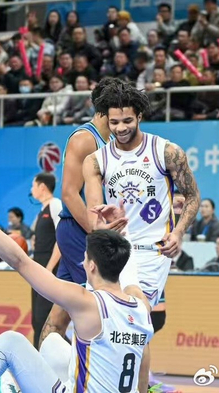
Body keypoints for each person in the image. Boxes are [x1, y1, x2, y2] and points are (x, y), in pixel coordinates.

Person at [0, 197, 153, 393]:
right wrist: (121, 229)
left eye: (84, 259)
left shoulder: (86, 302)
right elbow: (129, 266)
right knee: (53, 344)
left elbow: (20, 261)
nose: (82, 263)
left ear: (91, 266)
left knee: (10, 342)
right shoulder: (140, 304)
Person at [83, 81, 200, 390]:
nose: (120, 128)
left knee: (136, 322)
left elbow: (192, 197)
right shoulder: (95, 161)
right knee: (98, 325)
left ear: (139, 116)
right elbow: (93, 215)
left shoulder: (167, 152)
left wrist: (178, 232)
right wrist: (102, 224)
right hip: (113, 249)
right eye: (114, 122)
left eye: (127, 121)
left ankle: (141, 387)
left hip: (151, 252)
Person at [37, 78, 120, 347]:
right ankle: (91, 367)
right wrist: (97, 233)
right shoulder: (85, 139)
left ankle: (40, 364)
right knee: (98, 305)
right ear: (108, 109)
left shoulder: (111, 142)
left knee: (60, 313)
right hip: (78, 230)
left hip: (88, 232)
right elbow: (70, 194)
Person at [28, 172, 62, 348]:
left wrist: (49, 268)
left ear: (42, 187)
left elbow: (61, 238)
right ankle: (37, 354)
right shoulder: (42, 210)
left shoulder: (55, 204)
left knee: (43, 317)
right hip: (38, 267)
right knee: (36, 318)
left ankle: (46, 357)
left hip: (49, 269)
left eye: (33, 186)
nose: (31, 190)